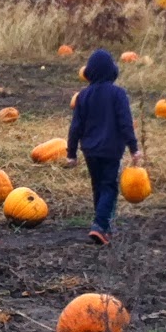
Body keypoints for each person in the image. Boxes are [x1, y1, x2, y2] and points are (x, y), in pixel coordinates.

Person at [63, 48, 143, 246]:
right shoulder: (118, 94)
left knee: (98, 186)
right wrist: (134, 148)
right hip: (111, 150)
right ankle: (99, 225)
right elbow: (125, 123)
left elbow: (76, 127)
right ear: (112, 71)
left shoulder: (83, 96)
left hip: (90, 150)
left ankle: (103, 225)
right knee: (109, 187)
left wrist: (71, 153)